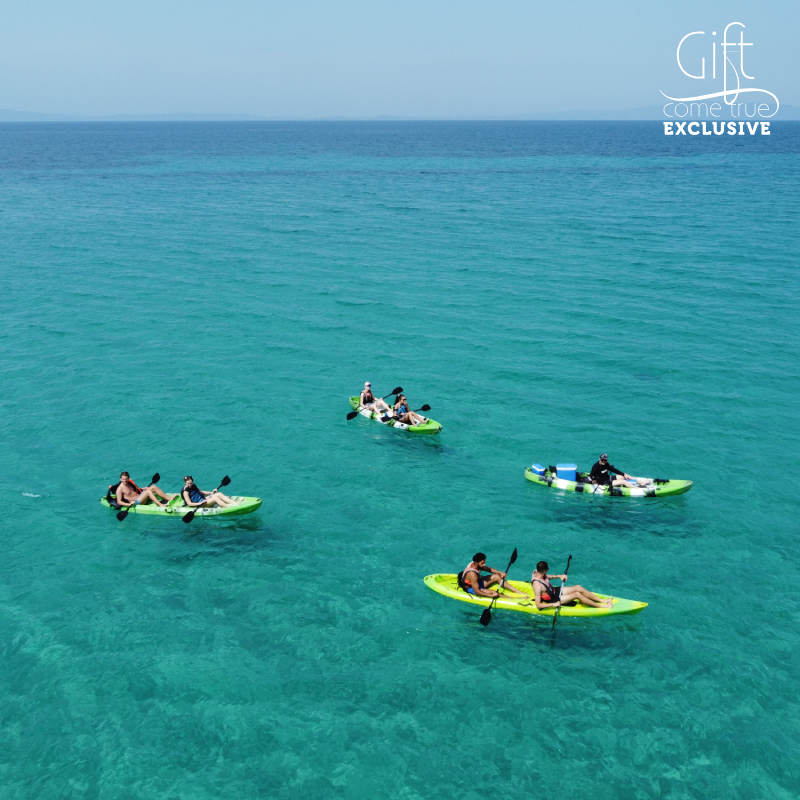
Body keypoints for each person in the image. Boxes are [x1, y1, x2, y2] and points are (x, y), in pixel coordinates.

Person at [530, 561, 613, 610]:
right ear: (544, 571)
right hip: (552, 599)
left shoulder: (537, 572)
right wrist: (553, 604)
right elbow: (538, 605)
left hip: (554, 591)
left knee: (578, 587)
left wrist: (559, 576)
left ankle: (601, 600)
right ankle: (601, 606)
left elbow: (547, 577)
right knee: (577, 594)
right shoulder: (537, 586)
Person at [458, 552, 526, 598]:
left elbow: (489, 569)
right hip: (472, 588)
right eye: (482, 563)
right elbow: (477, 591)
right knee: (494, 593)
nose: (484, 565)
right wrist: (490, 595)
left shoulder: (476, 565)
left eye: (484, 563)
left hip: (477, 582)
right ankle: (513, 600)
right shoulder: (472, 574)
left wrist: (500, 573)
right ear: (476, 562)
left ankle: (517, 591)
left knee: (496, 576)